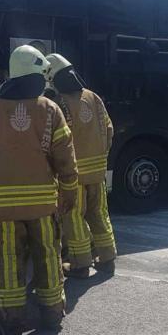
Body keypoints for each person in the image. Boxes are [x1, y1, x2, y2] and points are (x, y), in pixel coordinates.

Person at [0, 45, 79, 335]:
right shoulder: (49, 109)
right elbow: (66, 155)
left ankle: (12, 319)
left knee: (9, 261)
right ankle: (51, 313)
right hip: (43, 206)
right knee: (49, 256)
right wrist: (69, 191)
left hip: (6, 209)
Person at [45, 53, 117, 278]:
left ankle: (80, 263)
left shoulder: (61, 103)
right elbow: (109, 129)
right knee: (99, 213)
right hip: (98, 171)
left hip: (74, 174)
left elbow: (59, 141)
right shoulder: (93, 97)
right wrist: (100, 155)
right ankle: (107, 257)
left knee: (73, 217)